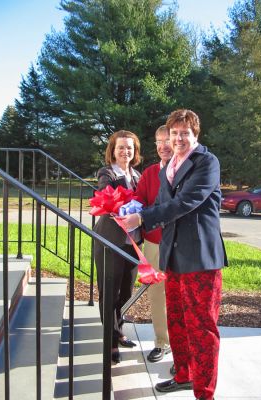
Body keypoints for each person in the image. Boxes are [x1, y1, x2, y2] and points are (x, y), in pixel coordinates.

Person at [120, 109, 228, 400]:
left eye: (185, 133)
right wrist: (131, 211)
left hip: (200, 258)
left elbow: (186, 202)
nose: (178, 138)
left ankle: (204, 393)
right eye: (174, 133)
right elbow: (157, 204)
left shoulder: (206, 162)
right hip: (172, 256)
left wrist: (142, 218)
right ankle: (183, 375)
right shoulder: (169, 166)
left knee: (202, 327)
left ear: (195, 135)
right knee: (177, 321)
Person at [93, 130, 142, 364]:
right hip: (110, 242)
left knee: (126, 292)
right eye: (120, 147)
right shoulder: (107, 172)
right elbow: (106, 193)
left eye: (129, 148)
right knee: (109, 292)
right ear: (112, 150)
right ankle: (110, 340)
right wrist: (126, 182)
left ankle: (118, 328)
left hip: (133, 243)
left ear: (135, 151)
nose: (125, 152)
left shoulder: (138, 175)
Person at [134, 125, 173, 362]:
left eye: (167, 140)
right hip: (154, 243)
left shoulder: (186, 172)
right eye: (158, 141)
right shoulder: (149, 173)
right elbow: (139, 199)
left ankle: (182, 346)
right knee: (157, 295)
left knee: (180, 296)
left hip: (181, 245)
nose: (162, 146)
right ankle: (162, 342)